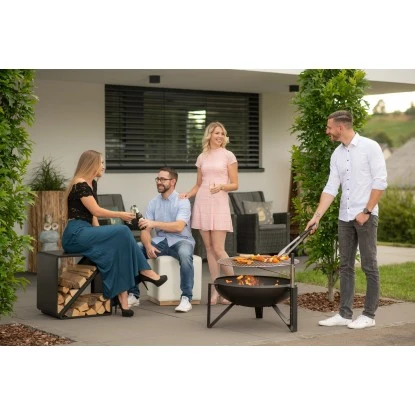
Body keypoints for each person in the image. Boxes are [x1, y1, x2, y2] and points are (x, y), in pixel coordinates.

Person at [305, 110, 388, 329]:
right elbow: (331, 188)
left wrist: (366, 211)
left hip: (366, 216)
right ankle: (344, 314)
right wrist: (316, 217)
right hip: (345, 216)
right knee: (345, 266)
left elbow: (380, 182)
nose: (327, 131)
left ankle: (369, 315)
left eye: (329, 127)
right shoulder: (337, 154)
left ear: (340, 127)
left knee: (369, 265)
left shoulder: (370, 147)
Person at [62, 150, 167, 317]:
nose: (103, 166)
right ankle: (145, 272)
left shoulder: (91, 183)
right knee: (123, 230)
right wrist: (120, 214)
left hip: (88, 232)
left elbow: (93, 216)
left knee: (118, 248)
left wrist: (100, 234)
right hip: (75, 235)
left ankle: (124, 302)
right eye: (101, 163)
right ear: (91, 164)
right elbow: (96, 210)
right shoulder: (79, 184)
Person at [180, 121, 238, 305]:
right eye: (216, 133)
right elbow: (199, 184)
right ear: (209, 135)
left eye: (222, 133)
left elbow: (235, 184)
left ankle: (234, 286)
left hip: (219, 203)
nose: (220, 136)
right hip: (203, 203)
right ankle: (216, 289)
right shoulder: (202, 157)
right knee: (209, 249)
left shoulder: (228, 155)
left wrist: (222, 186)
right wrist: (187, 195)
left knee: (219, 248)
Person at [128, 167, 196, 312]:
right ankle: (133, 294)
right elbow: (145, 230)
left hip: (181, 240)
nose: (159, 182)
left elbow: (179, 227)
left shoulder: (182, 201)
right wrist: (148, 245)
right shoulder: (153, 203)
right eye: (158, 179)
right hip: (159, 241)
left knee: (185, 254)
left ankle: (186, 298)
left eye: (163, 179)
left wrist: (154, 224)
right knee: (135, 249)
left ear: (173, 182)